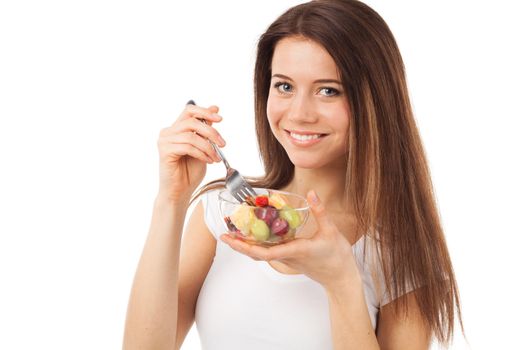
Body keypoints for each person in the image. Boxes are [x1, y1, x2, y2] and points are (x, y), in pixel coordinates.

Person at [123, 0, 464, 349]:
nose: (299, 113)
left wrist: (341, 280)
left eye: (328, 90)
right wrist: (171, 200)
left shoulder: (398, 252)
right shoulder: (221, 213)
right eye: (284, 86)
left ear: (374, 101)